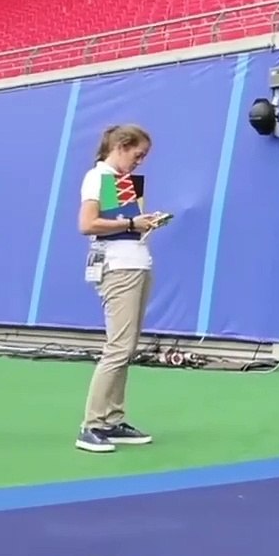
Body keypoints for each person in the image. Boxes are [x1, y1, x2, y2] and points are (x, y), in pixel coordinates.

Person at [76, 124, 169, 454]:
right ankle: (91, 425)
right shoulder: (97, 177)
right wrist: (132, 223)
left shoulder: (121, 182)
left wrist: (143, 223)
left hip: (135, 262)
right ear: (121, 146)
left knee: (125, 347)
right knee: (118, 348)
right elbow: (88, 224)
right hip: (118, 268)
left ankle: (112, 420)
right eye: (138, 154)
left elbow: (119, 225)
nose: (140, 161)